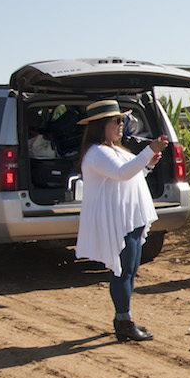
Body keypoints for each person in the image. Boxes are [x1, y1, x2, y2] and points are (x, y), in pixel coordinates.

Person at [75, 100, 168, 343]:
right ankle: (123, 321)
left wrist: (147, 165)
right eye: (116, 121)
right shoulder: (98, 152)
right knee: (123, 271)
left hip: (130, 218)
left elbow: (129, 176)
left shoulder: (114, 149)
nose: (121, 125)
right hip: (118, 220)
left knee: (130, 270)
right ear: (100, 125)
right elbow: (121, 173)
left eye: (122, 120)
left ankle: (124, 319)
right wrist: (149, 150)